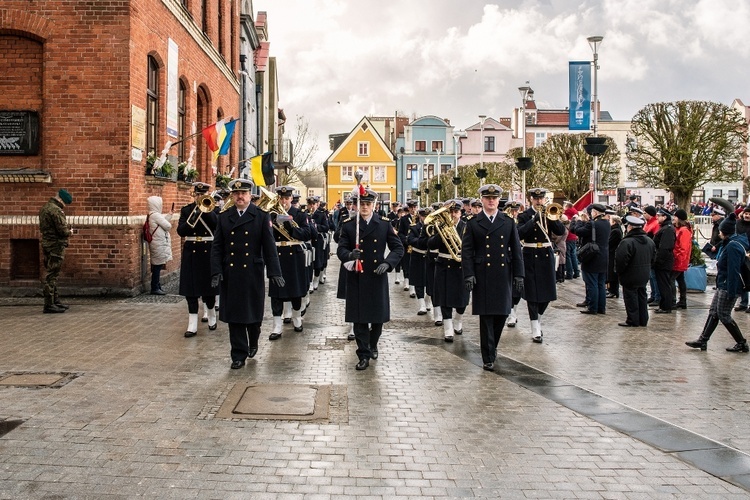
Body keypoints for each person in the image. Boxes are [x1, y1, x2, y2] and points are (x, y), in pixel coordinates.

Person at [210, 179, 284, 369]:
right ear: (232, 196)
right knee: (234, 316)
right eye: (236, 194)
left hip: (252, 272)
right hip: (231, 272)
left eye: (243, 193)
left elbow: (269, 247)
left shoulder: (260, 215)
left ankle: (254, 338)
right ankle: (238, 354)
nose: (240, 197)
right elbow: (217, 247)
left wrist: (274, 272)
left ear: (250, 195)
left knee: (252, 315)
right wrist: (216, 271)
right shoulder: (224, 216)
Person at [337, 188, 404, 370]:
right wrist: (350, 254)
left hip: (376, 276)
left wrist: (388, 263)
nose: (365, 207)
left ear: (374, 205)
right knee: (359, 320)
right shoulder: (350, 225)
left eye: (368, 203)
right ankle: (363, 354)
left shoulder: (383, 224)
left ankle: (373, 344)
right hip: (357, 277)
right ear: (357, 205)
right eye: (362, 204)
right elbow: (340, 249)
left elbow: (398, 248)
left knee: (377, 319)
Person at [462, 185, 524, 371]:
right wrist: (469, 274)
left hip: (503, 273)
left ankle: (493, 346)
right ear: (481, 199)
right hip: (483, 274)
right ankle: (488, 356)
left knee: (502, 313)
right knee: (487, 316)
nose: (491, 201)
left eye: (494, 198)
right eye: (487, 198)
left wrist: (519, 274)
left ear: (498, 200)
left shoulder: (508, 221)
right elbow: (467, 251)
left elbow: (516, 250)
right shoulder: (473, 223)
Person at [686, 213, 749, 352]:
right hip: (723, 284)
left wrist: (732, 292)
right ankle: (703, 340)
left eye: (720, 230)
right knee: (714, 311)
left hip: (728, 286)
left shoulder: (733, 246)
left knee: (723, 314)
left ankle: (742, 343)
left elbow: (733, 270)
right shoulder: (730, 242)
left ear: (723, 231)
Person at [516, 187, 565, 342]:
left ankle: (538, 317)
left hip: (546, 255)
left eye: (541, 198)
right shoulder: (524, 216)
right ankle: (535, 326)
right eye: (536, 199)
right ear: (531, 199)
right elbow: (520, 233)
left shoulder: (549, 213)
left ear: (544, 199)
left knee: (547, 293)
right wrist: (533, 220)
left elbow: (560, 230)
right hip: (530, 255)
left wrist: (553, 218)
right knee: (532, 294)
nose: (538, 201)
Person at [267, 186, 312, 340]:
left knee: (296, 289)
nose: (284, 201)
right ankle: (277, 326)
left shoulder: (299, 215)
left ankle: (297, 318)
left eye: (287, 198)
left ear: (291, 199)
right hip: (277, 254)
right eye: (281, 198)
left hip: (295, 255)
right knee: (276, 292)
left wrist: (290, 227)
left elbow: (308, 233)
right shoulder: (271, 214)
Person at [176, 182, 219, 338]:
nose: (200, 197)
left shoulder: (214, 209)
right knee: (191, 291)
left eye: (203, 195)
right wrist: (194, 215)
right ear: (194, 195)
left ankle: (212, 314)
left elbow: (217, 226)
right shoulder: (186, 210)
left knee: (209, 290)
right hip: (191, 252)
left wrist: (206, 210)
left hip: (208, 251)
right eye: (197, 195)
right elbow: (181, 231)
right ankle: (192, 323)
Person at [428, 199, 470, 342]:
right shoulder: (439, 226)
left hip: (461, 267)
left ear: (460, 213)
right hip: (443, 265)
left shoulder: (467, 227)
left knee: (462, 300)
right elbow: (430, 244)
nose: (453, 215)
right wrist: (441, 233)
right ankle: (448, 328)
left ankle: (458, 319)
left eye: (456, 212)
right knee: (444, 299)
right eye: (450, 212)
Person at [615, 216, 656, 327]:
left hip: (630, 274)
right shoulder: (649, 241)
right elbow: (653, 258)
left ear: (630, 227)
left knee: (630, 297)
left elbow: (621, 260)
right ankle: (643, 319)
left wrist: (619, 272)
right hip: (644, 274)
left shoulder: (627, 242)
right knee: (642, 296)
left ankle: (633, 320)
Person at [571, 204, 610, 316]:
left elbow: (577, 231)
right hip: (603, 256)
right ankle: (601, 308)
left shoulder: (592, 224)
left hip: (592, 257)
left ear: (595, 213)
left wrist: (578, 220)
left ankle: (592, 307)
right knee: (600, 284)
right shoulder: (607, 224)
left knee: (591, 283)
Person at [39, 188, 74, 313]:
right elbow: (62, 231)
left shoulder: (45, 208)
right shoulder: (56, 210)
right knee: (52, 274)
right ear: (60, 199)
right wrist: (70, 232)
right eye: (64, 203)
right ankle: (49, 304)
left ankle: (55, 301)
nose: (64, 205)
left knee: (52, 273)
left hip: (47, 244)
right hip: (56, 246)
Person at [146, 195, 173, 296]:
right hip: (159, 243)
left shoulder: (152, 214)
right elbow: (167, 226)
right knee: (157, 266)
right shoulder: (156, 215)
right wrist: (168, 219)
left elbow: (162, 223)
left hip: (157, 243)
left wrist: (169, 215)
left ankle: (157, 285)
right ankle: (155, 287)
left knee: (158, 265)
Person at [652, 207, 676, 313]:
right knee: (662, 284)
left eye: (659, 216)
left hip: (664, 261)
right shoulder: (665, 228)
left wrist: (658, 261)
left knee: (664, 284)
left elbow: (665, 248)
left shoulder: (668, 229)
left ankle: (666, 306)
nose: (657, 217)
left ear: (665, 217)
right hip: (662, 260)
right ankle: (664, 305)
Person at [672, 209, 692, 309]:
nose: (673, 218)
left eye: (675, 217)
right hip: (679, 259)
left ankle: (673, 300)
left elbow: (683, 248)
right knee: (680, 280)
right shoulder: (680, 229)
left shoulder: (684, 231)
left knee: (671, 280)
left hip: (679, 260)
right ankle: (682, 301)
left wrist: (678, 259)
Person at [606, 213, 623, 298]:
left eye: (610, 220)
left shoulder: (615, 231)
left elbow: (609, 242)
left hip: (613, 253)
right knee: (610, 272)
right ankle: (611, 289)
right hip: (611, 252)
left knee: (612, 273)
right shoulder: (614, 230)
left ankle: (613, 290)